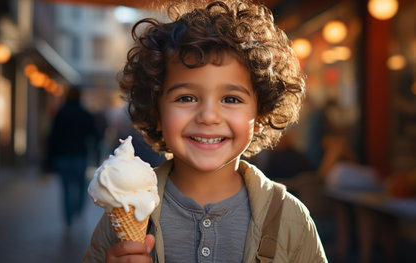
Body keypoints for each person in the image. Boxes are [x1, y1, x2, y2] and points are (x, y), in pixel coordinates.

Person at [83, 0, 327, 262]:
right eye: (186, 98)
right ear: (156, 112)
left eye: (231, 99)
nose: (208, 116)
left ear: (260, 115)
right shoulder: (122, 210)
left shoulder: (290, 219)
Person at [47, 86, 99, 226]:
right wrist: (96, 154)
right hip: (80, 156)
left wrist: (48, 161)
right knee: (82, 186)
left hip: (63, 157)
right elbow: (94, 135)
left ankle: (68, 218)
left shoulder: (61, 114)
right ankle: (77, 210)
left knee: (66, 189)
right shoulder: (85, 114)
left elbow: (52, 137)